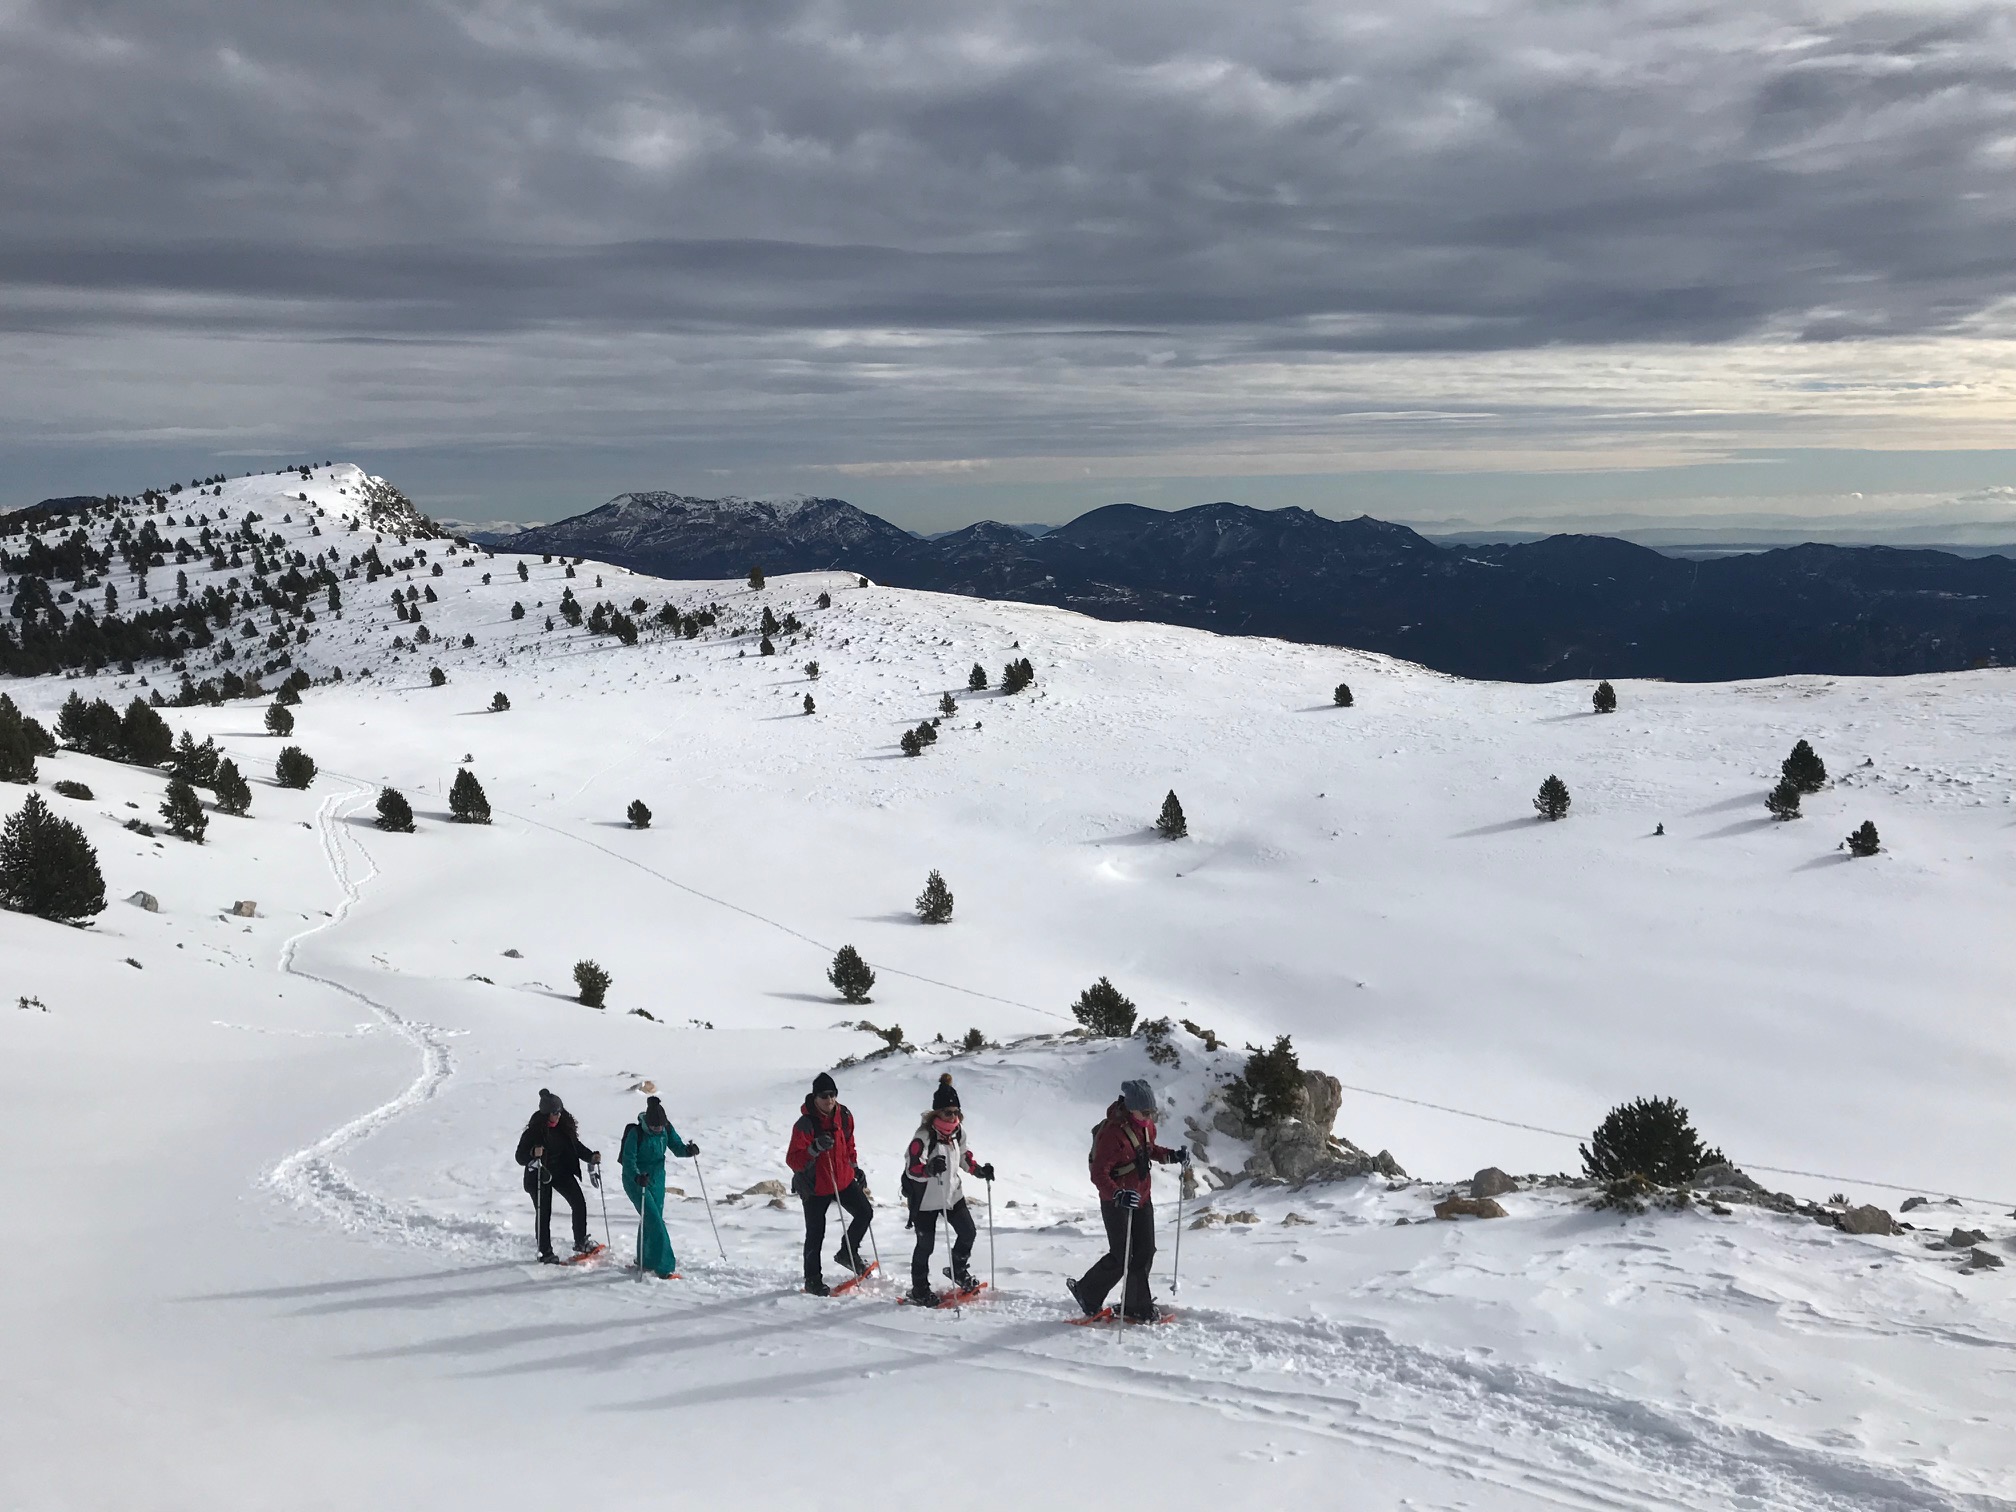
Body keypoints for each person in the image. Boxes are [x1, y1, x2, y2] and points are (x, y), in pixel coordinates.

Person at [1067, 1078, 1187, 1321]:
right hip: (1116, 1201)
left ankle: (1134, 1305)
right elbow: (1098, 1173)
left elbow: (1148, 1150)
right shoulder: (1112, 1134)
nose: (1149, 1115)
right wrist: (1118, 1194)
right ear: (1131, 1108)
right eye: (1145, 1111)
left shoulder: (1146, 1126)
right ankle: (1087, 1292)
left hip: (1142, 1196)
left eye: (1151, 1111)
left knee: (1145, 1251)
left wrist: (1172, 1156)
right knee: (1123, 1255)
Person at [902, 1073, 995, 1306]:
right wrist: (929, 1169)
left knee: (968, 1233)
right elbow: (913, 1168)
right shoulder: (923, 1136)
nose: (952, 1116)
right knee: (926, 1245)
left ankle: (958, 1270)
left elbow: (964, 1157)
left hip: (952, 1194)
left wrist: (979, 1170)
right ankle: (919, 1289)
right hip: (925, 1199)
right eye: (947, 1112)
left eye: (955, 1112)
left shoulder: (958, 1132)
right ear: (936, 1114)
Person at [785, 1071, 874, 1295]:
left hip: (841, 1178)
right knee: (816, 1233)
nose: (829, 1100)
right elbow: (793, 1159)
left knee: (865, 1212)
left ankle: (848, 1252)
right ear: (815, 1098)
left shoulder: (843, 1115)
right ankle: (812, 1279)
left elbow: (849, 1142)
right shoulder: (805, 1124)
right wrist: (813, 1149)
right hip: (814, 1186)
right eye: (824, 1095)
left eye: (833, 1094)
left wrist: (854, 1167)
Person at [514, 1087, 601, 1262]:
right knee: (544, 1212)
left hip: (561, 1171)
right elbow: (519, 1157)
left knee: (578, 1202)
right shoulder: (533, 1132)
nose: (558, 1115)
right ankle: (545, 1252)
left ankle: (581, 1241)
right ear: (546, 1113)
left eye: (560, 1111)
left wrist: (590, 1156)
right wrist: (533, 1152)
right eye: (555, 1112)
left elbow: (576, 1146)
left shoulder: (564, 1128)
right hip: (539, 1174)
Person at [619, 1095, 696, 1279]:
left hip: (657, 1179)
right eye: (654, 1127)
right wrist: (637, 1176)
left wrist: (688, 1151)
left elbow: (677, 1147)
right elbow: (628, 1160)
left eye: (660, 1126)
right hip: (636, 1180)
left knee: (650, 1218)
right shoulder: (635, 1133)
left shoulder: (665, 1129)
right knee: (654, 1220)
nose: (658, 1129)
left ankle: (644, 1259)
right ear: (647, 1123)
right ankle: (664, 1267)